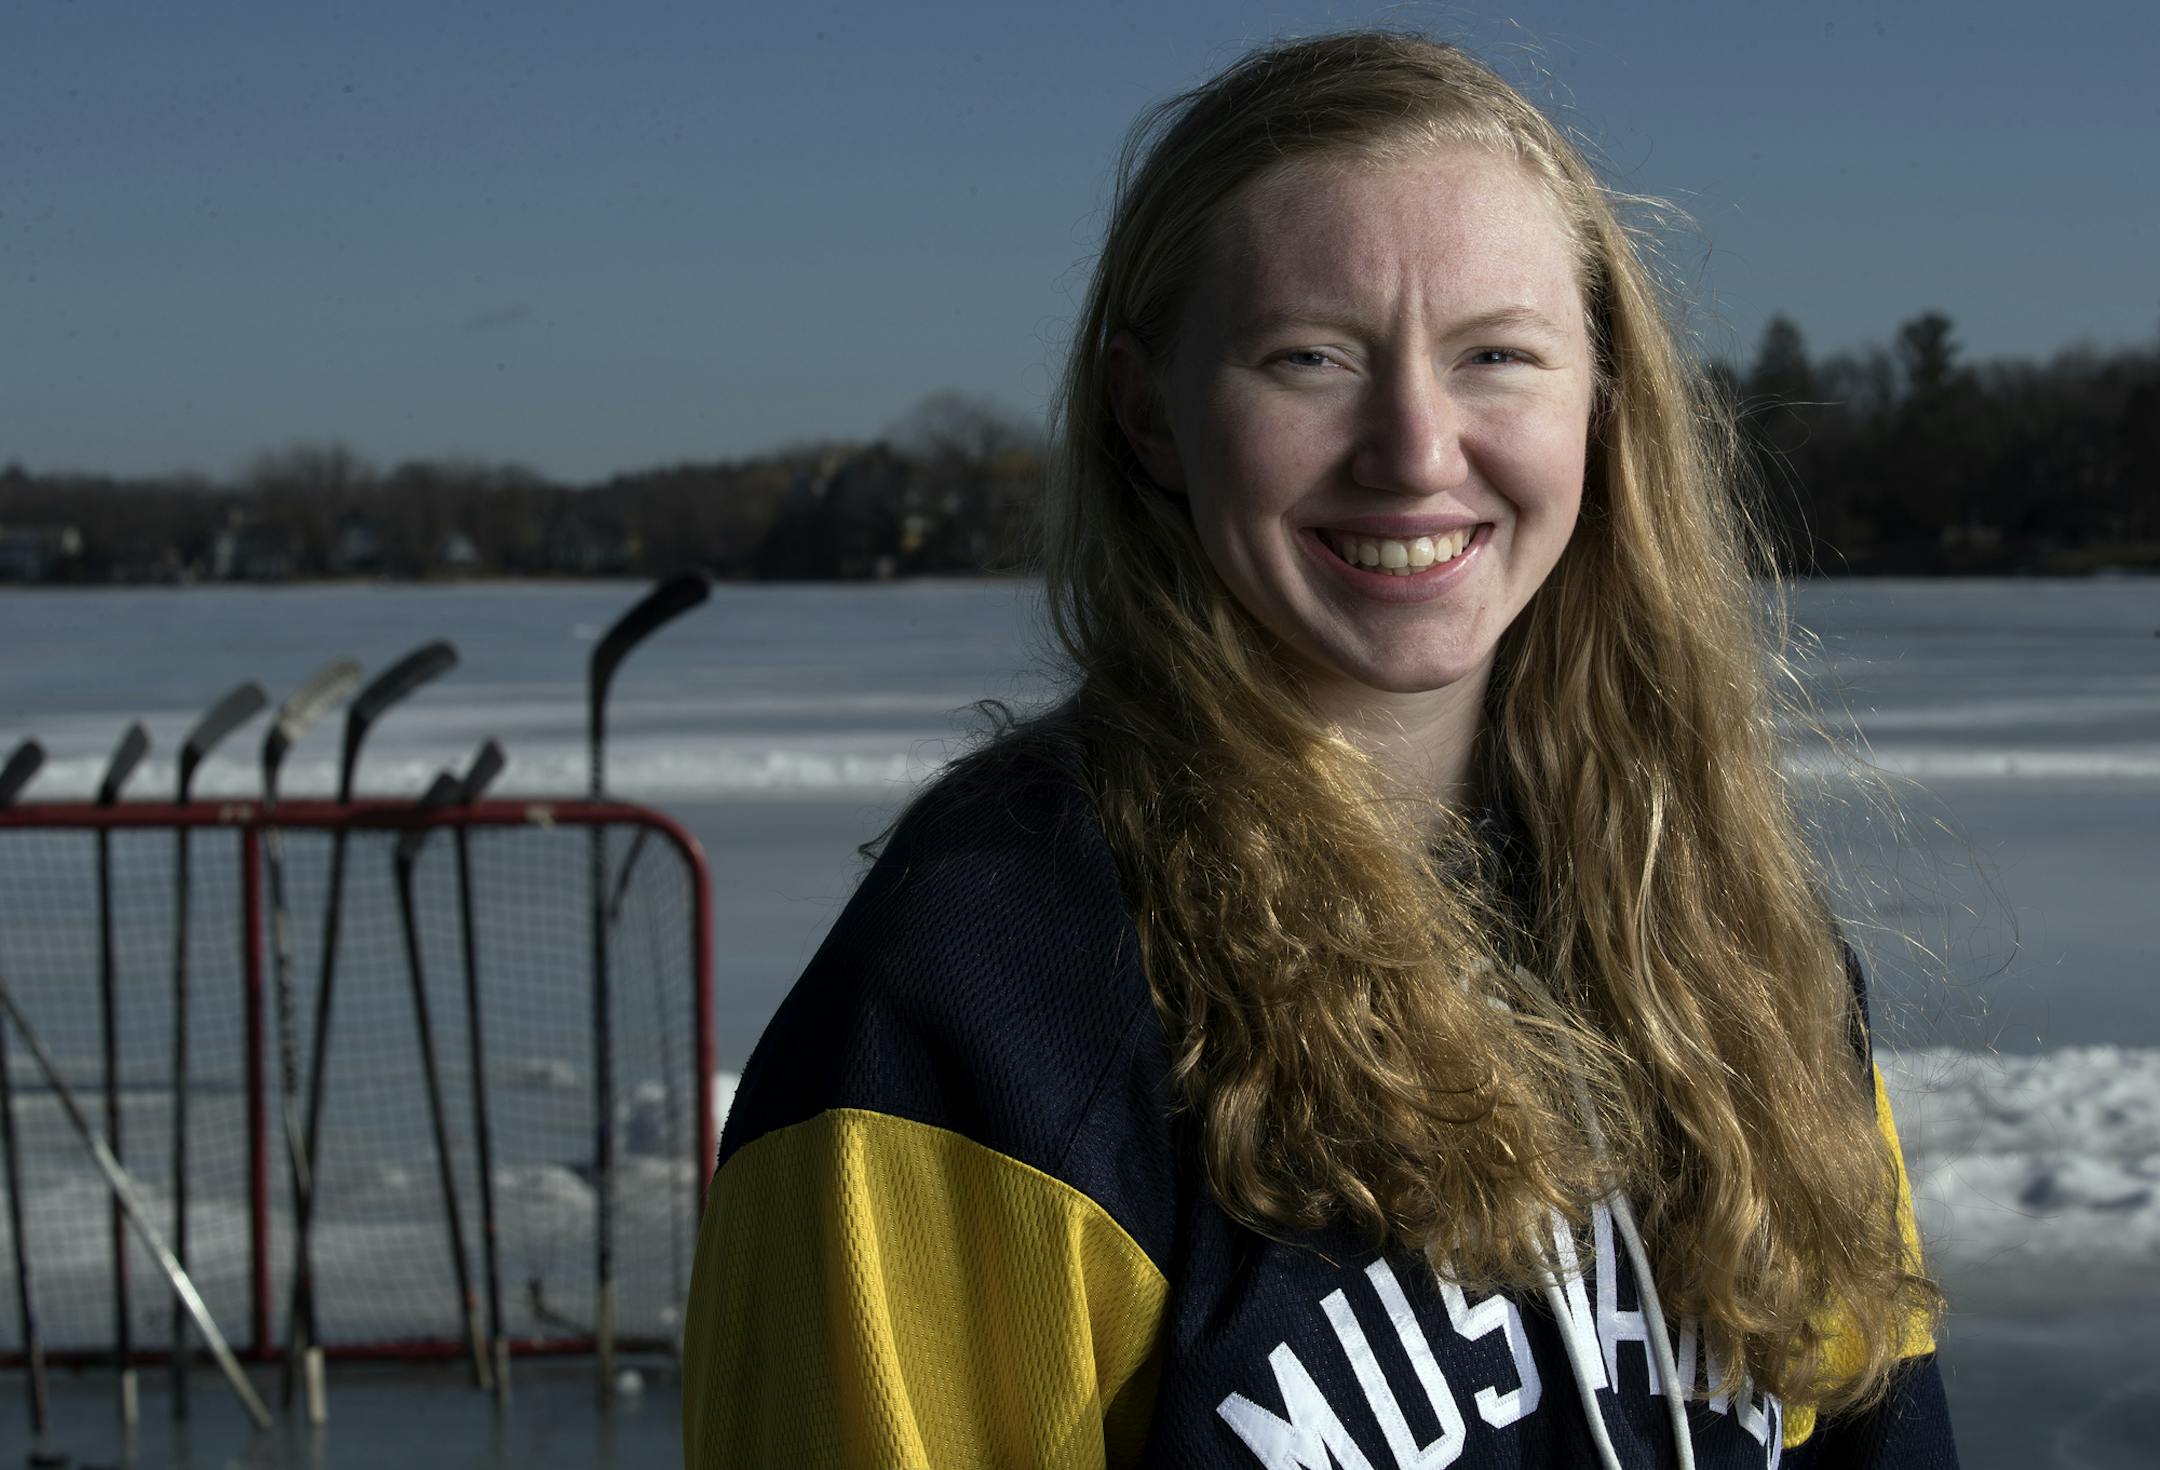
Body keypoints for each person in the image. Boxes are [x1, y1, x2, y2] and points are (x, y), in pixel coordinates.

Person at [682, 31, 1956, 1469]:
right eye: (1312, 357)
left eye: (1497, 355)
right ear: (1148, 413)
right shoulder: (981, 1001)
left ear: (1601, 398)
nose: (1415, 447)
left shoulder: (1727, 936)